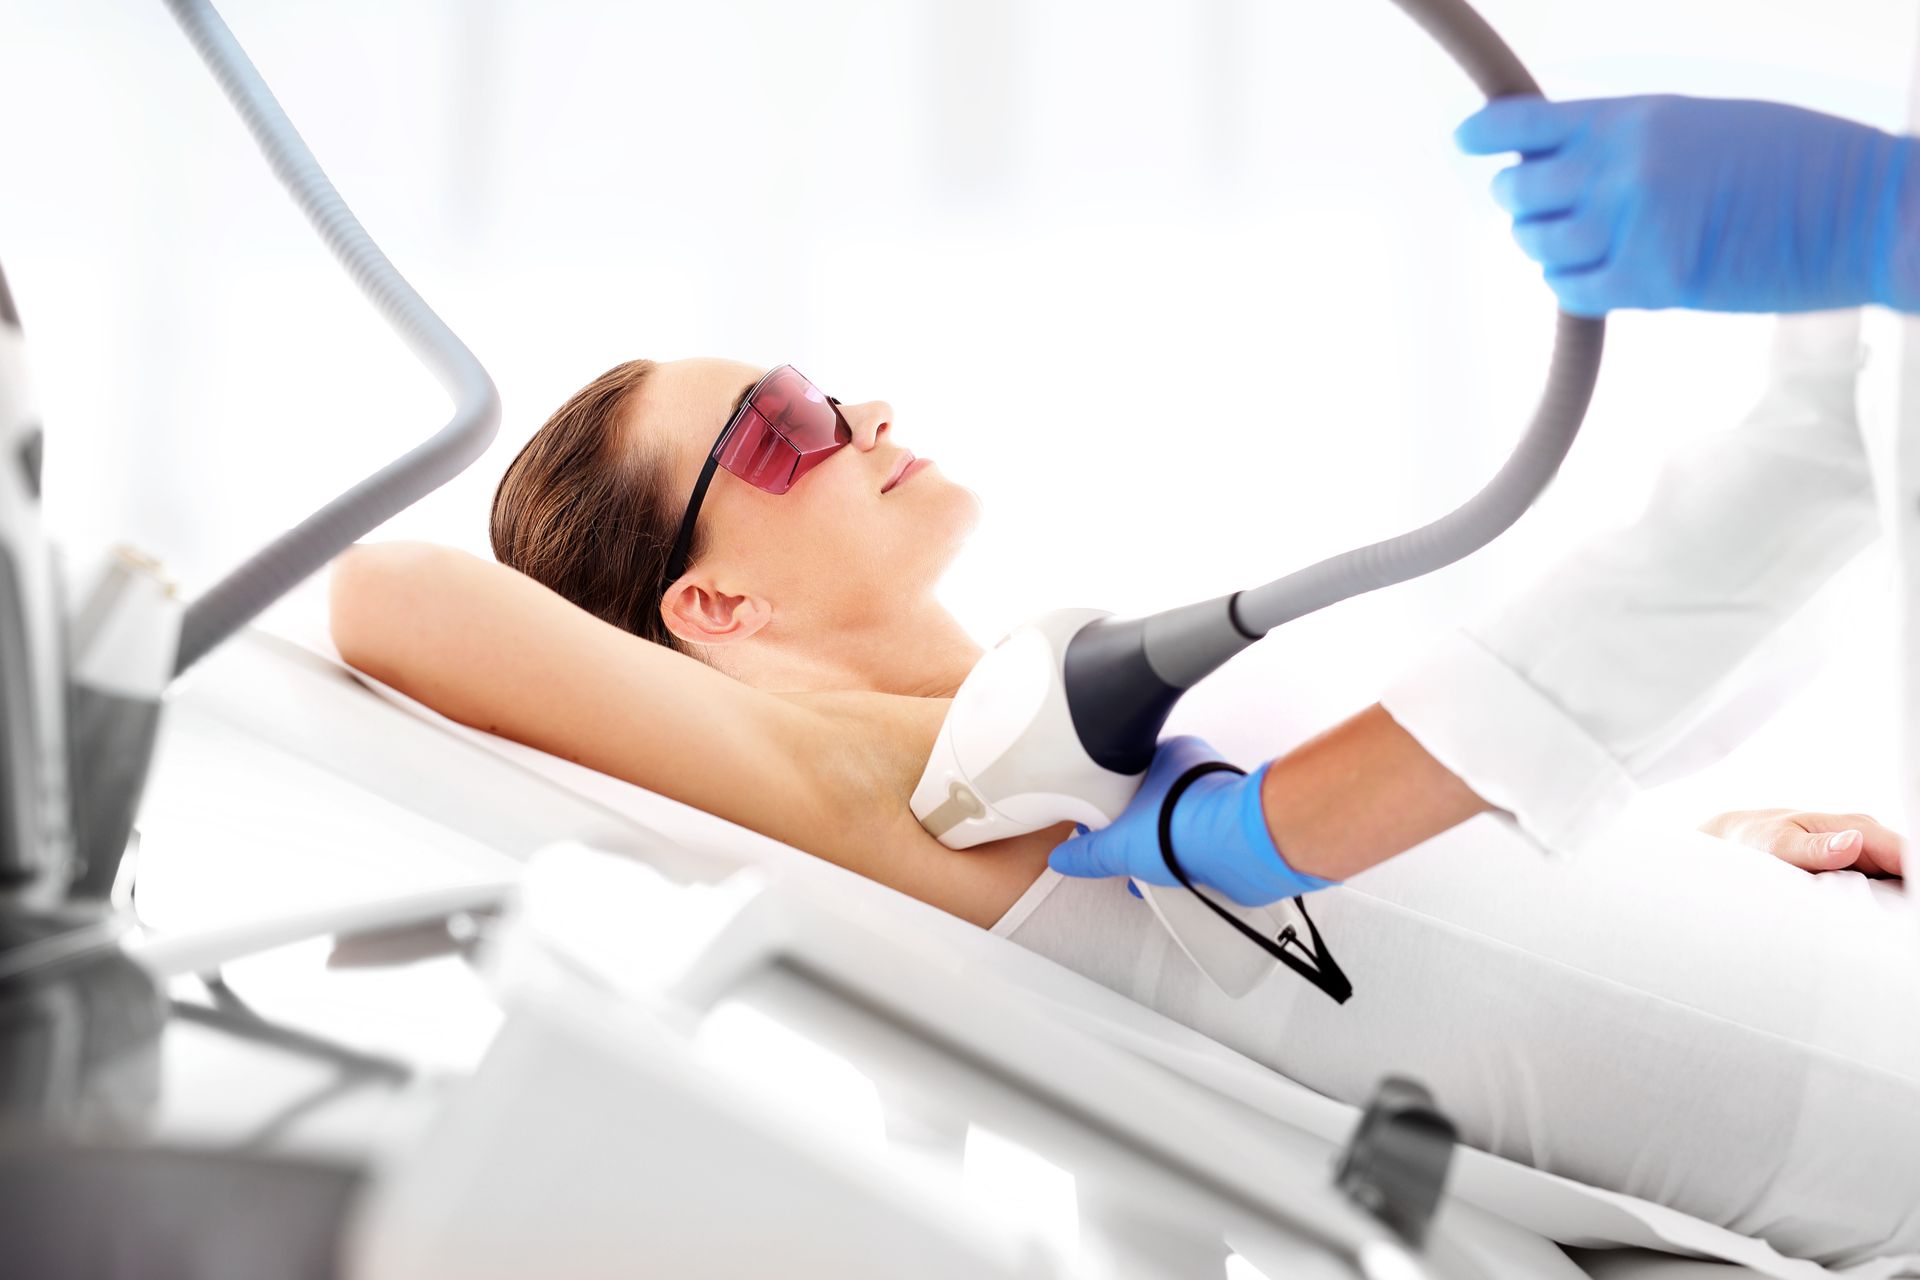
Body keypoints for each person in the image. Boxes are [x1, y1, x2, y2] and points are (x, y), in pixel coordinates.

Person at [330, 357, 1920, 1265]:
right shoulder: (923, 800)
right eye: (783, 421)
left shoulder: (1081, 701)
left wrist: (1696, 873)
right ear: (718, 606)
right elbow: (391, 597)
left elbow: (1452, 894)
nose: (862, 411)